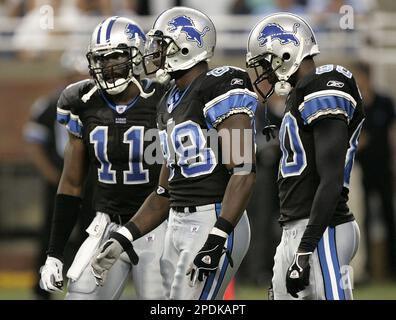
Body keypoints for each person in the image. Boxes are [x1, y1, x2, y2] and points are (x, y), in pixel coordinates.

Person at [91, 6, 257, 300]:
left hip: (213, 216)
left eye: (161, 44)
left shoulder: (219, 85)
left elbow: (243, 171)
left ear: (185, 44)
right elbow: (163, 192)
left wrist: (219, 233)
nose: (153, 53)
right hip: (177, 223)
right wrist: (124, 235)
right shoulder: (167, 101)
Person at [39, 16, 167, 300]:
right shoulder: (81, 101)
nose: (109, 66)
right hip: (108, 225)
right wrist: (54, 253)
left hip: (158, 227)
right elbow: (71, 183)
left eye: (117, 56)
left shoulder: (162, 97)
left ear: (136, 54)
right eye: (102, 59)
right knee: (80, 296)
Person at [246, 12, 364, 299]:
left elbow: (332, 179)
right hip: (295, 227)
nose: (264, 73)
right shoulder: (297, 95)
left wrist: (306, 247)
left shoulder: (323, 85)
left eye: (266, 63)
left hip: (324, 229)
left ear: (286, 54)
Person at [23, 51, 94, 300]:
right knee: (52, 235)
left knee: (91, 233)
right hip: (60, 180)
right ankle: (42, 287)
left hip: (91, 181)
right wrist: (53, 175)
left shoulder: (99, 105)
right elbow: (33, 143)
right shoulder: (48, 105)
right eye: (74, 77)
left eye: (83, 76)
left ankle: (85, 283)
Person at [354, 62, 396, 280]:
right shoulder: (355, 106)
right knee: (365, 219)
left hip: (383, 169)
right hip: (363, 171)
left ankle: (391, 267)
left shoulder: (384, 102)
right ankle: (368, 268)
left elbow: (391, 134)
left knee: (390, 216)